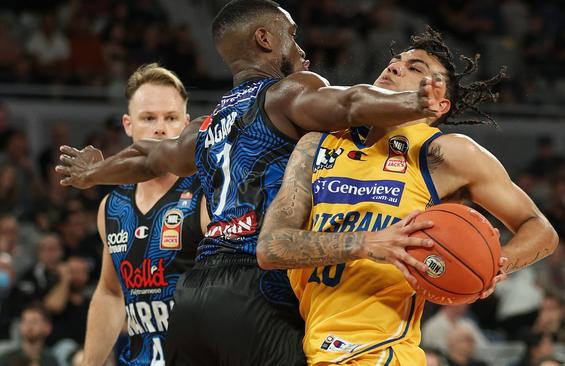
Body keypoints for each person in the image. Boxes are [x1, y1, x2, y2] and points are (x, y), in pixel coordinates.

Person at [55, 1, 448, 364]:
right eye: (291, 35)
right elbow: (350, 104)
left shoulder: (203, 127)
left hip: (192, 301)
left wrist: (96, 172)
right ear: (265, 39)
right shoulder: (287, 92)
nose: (300, 47)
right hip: (259, 288)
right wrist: (411, 104)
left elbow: (148, 157)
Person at [256, 27, 558, 364]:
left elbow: (541, 230)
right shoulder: (318, 144)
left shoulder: (444, 152)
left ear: (440, 105)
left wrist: (494, 265)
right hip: (315, 343)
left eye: (416, 69)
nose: (395, 67)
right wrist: (367, 243)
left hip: (382, 349)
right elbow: (271, 249)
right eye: (396, 61)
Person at [81, 64, 208, 366]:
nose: (160, 128)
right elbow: (111, 292)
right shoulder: (112, 206)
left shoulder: (209, 192)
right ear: (128, 124)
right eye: (149, 118)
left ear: (186, 124)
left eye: (171, 118)